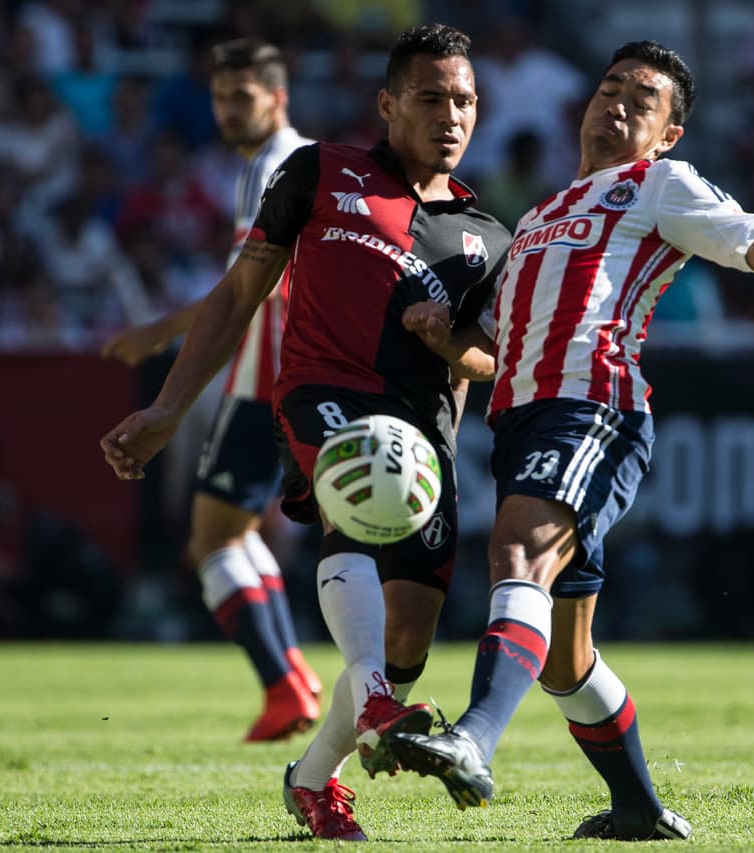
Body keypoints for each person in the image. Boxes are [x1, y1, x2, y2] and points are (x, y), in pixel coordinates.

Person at [388, 40, 754, 841]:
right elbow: (494, 349)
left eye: (644, 98)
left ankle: (473, 737)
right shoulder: (537, 217)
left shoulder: (659, 185)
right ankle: (639, 808)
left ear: (668, 133)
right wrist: (438, 339)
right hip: (525, 419)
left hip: (593, 407)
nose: (619, 103)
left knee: (517, 553)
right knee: (565, 659)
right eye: (610, 88)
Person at [100, 24, 511, 841]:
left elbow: (489, 360)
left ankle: (315, 775)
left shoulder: (489, 237)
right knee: (352, 505)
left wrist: (446, 342)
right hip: (322, 394)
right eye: (431, 98)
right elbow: (236, 295)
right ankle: (380, 706)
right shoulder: (321, 171)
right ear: (388, 104)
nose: (452, 116)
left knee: (406, 643)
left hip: (424, 436)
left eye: (464, 100)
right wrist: (170, 408)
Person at [100, 38, 322, 742]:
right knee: (233, 532)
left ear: (277, 97)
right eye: (221, 96)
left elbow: (242, 291)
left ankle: (286, 682)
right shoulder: (284, 160)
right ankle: (293, 675)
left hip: (265, 379)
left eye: (243, 97)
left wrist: (159, 333)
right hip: (286, 374)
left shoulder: (273, 164)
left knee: (208, 542)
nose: (227, 110)